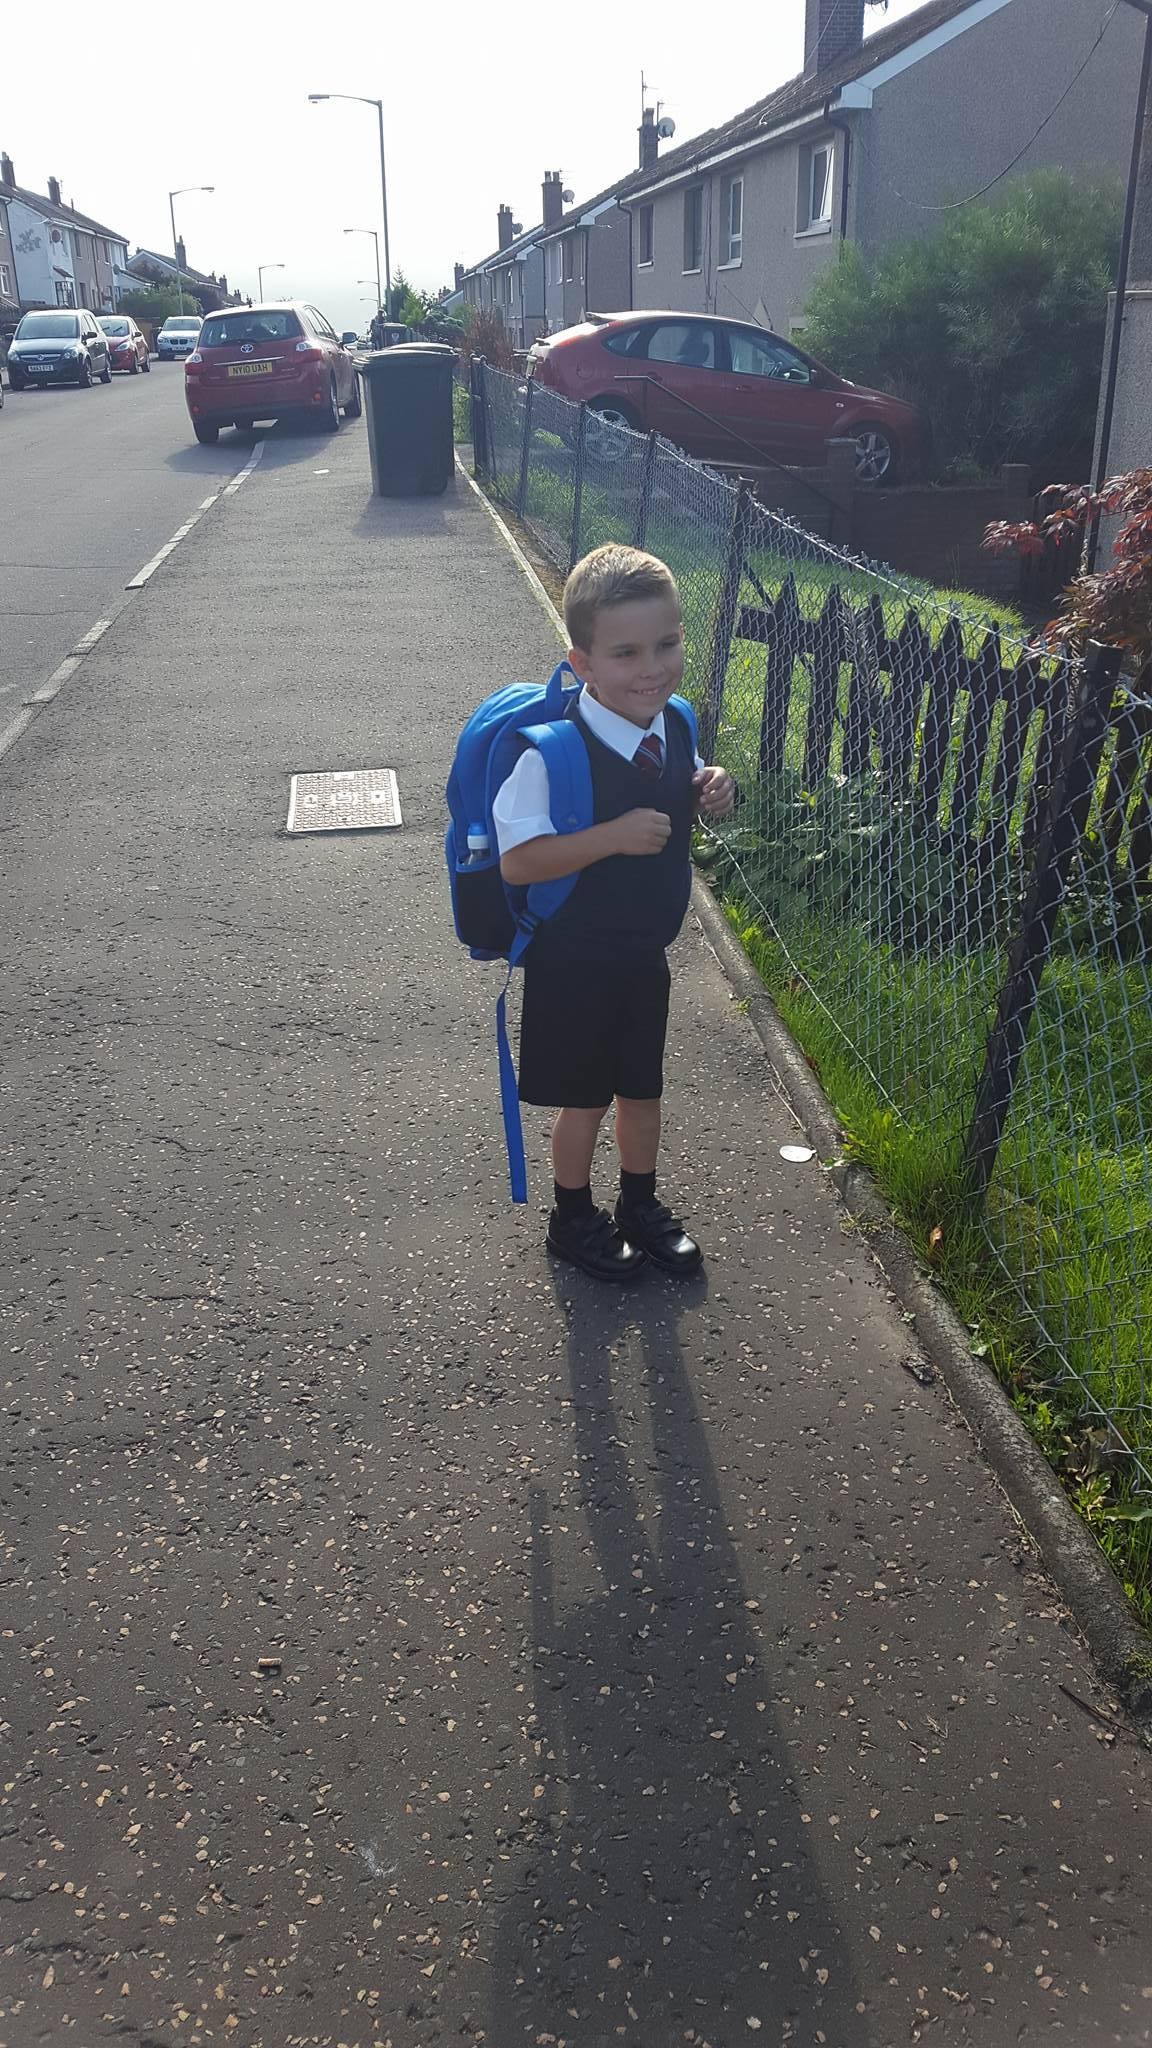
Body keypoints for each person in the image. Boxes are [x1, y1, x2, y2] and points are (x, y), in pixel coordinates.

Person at [493, 544, 736, 1283]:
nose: (652, 668)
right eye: (626, 652)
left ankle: (639, 1204)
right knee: (586, 1105)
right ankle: (571, 1217)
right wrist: (609, 839)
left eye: (667, 644)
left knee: (643, 1094)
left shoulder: (676, 726)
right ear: (583, 662)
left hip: (642, 956)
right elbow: (519, 861)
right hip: (572, 960)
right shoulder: (553, 755)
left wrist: (712, 789)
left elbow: (677, 786)